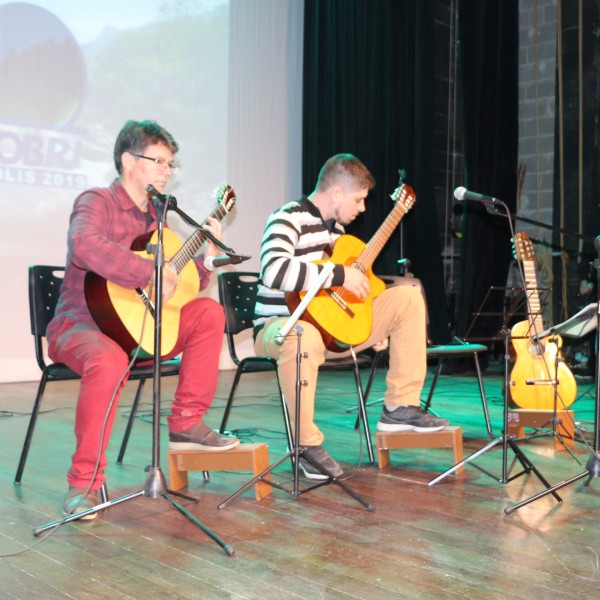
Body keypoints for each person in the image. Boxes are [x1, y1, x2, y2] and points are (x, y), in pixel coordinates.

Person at [47, 119, 239, 519]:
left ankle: (187, 420)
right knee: (108, 360)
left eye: (171, 165)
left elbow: (178, 282)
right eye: (159, 161)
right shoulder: (96, 201)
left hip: (139, 326)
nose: (167, 172)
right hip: (81, 325)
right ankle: (83, 484)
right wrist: (147, 273)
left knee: (208, 311)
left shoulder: (158, 215)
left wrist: (206, 261)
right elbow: (84, 245)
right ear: (128, 161)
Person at [253, 153, 448, 480]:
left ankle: (399, 406)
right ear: (337, 194)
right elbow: (274, 271)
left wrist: (367, 315)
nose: (363, 208)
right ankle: (305, 445)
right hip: (278, 328)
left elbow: (337, 297)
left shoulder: (338, 234)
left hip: (331, 331)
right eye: (359, 199)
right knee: (304, 335)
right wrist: (338, 275)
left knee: (407, 297)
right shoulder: (286, 217)